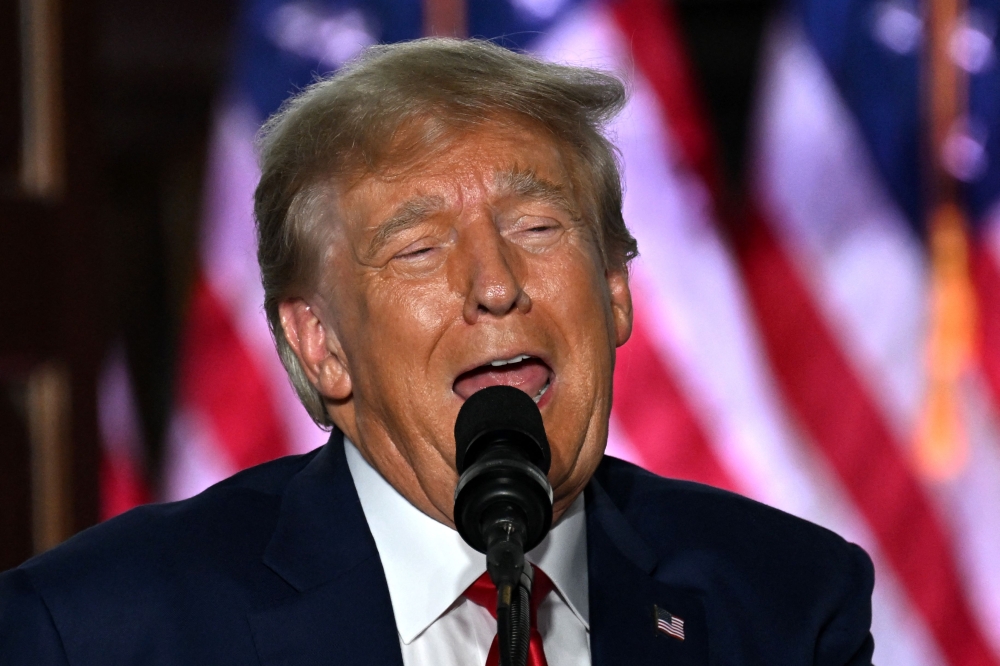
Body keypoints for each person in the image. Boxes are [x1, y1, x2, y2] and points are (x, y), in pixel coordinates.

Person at [0, 38, 875, 665]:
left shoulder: (787, 604)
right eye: (418, 248)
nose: (495, 284)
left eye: (537, 227)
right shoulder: (100, 631)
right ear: (320, 344)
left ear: (615, 291)